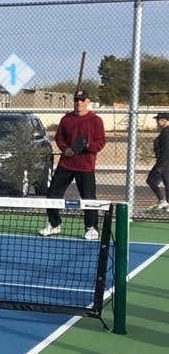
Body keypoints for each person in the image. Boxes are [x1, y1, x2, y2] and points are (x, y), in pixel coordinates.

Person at [40, 88, 107, 240]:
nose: (79, 103)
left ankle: (91, 228)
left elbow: (100, 142)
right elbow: (59, 139)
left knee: (88, 198)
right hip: (66, 164)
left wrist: (88, 146)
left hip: (85, 166)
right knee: (52, 195)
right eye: (76, 100)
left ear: (88, 102)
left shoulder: (96, 121)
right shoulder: (66, 119)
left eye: (82, 100)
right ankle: (54, 224)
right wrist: (65, 149)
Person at [148, 111, 169, 210]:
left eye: (162, 120)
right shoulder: (164, 132)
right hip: (164, 161)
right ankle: (167, 204)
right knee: (167, 182)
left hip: (163, 162)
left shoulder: (166, 133)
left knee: (151, 180)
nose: (158, 122)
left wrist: (161, 165)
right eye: (158, 120)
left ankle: (162, 200)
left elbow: (166, 150)